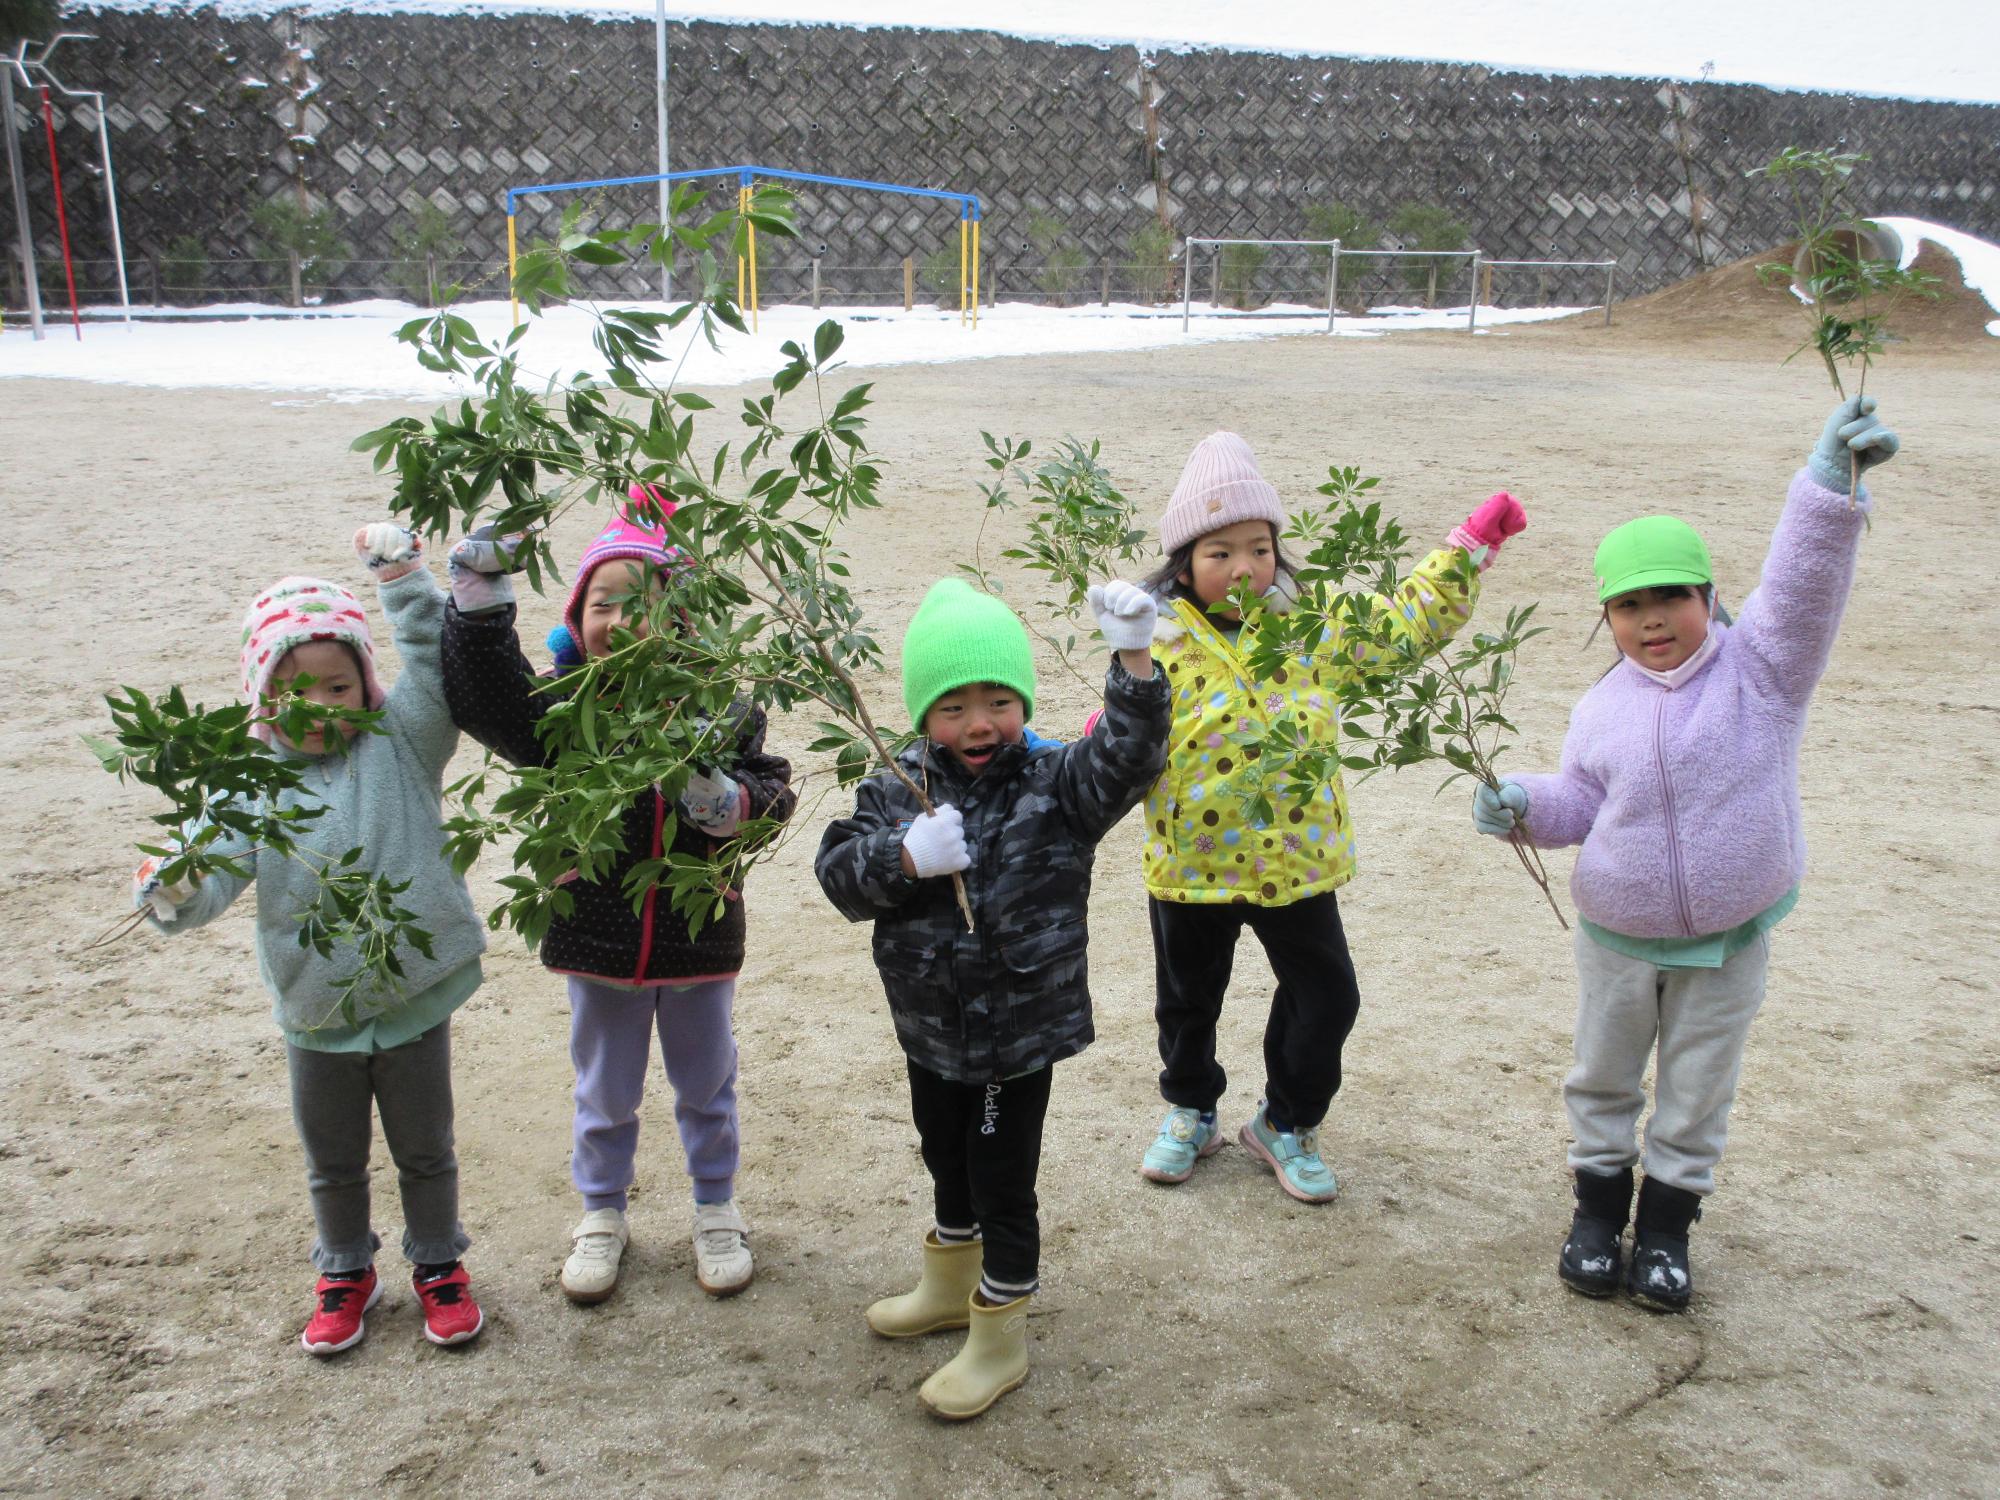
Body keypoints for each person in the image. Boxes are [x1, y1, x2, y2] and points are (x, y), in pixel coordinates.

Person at [1470, 396, 1897, 1311]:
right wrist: (1521, 803)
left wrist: (1830, 484)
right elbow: (1582, 800)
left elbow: (1804, 583)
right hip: (1617, 936)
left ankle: (1664, 1234)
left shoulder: (1766, 670)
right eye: (1628, 604)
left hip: (1728, 941)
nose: (1652, 618)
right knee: (1603, 1078)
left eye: (1671, 595)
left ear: (1710, 597)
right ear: (1606, 619)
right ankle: (1594, 1219)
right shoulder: (1601, 707)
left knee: (1697, 1093)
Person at [1132, 430, 1525, 1201]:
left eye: (1259, 547)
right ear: (1184, 565)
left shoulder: (1311, 627)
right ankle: (1190, 1110)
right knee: (1187, 1000)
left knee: (1328, 995)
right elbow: (1120, 731)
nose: (1244, 567)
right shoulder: (1158, 639)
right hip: (1191, 866)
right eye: (1220, 552)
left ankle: (1286, 1121)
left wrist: (1468, 548)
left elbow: (1403, 625)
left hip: (1296, 860)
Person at [814, 578, 1168, 1420]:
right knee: (943, 1153)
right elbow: (839, 878)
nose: (979, 723)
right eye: (954, 706)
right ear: (919, 717)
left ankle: (1000, 1330)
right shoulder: (894, 787)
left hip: (1017, 1033)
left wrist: (1134, 660)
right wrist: (902, 856)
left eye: (1000, 700)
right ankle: (949, 1280)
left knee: (1000, 1177)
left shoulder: (1057, 784)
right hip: (928, 1027)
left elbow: (1130, 754)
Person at [132, 526, 488, 1355]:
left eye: (338, 686)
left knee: (426, 1148)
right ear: (261, 697)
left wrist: (402, 578)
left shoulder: (401, 741)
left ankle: (439, 1263)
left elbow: (436, 667)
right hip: (316, 1003)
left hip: (411, 992)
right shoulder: (246, 780)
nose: (321, 708)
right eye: (297, 693)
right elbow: (211, 873)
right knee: (333, 1159)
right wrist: (174, 885)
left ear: (366, 683)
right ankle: (344, 1270)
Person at [440, 503, 795, 1304]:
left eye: (642, 600)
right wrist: (480, 593)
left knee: (709, 1084)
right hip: (596, 942)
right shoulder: (565, 711)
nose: (619, 619)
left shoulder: (722, 706)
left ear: (680, 618)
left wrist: (730, 801)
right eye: (601, 603)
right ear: (576, 618)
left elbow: (776, 792)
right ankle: (601, 1215)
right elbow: (487, 699)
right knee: (603, 1091)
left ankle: (715, 1207)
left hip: (699, 941)